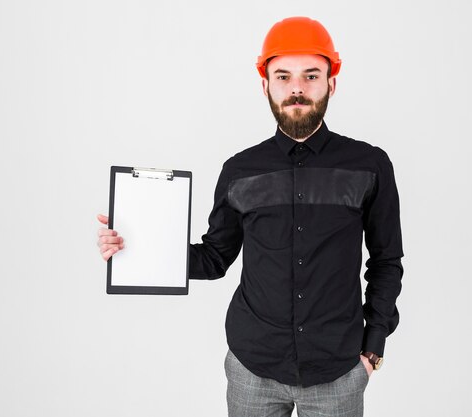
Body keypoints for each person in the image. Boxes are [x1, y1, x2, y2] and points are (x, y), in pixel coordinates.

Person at [97, 16, 404, 417]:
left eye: (311, 75)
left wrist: (373, 348)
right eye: (283, 76)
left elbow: (386, 262)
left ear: (331, 82)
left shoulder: (370, 165)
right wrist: (134, 247)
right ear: (265, 86)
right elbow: (214, 258)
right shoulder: (240, 171)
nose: (297, 88)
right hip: (251, 371)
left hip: (338, 372)